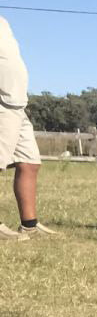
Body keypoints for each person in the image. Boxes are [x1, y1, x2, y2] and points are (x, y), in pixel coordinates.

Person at [0, 13, 52, 241]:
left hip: (17, 104)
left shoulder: (3, 23)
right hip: (2, 103)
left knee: (30, 162)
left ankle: (29, 225)